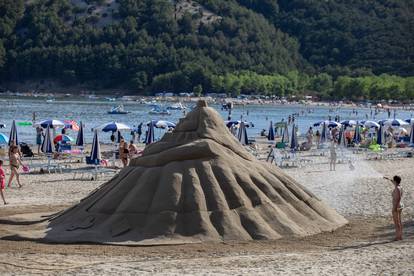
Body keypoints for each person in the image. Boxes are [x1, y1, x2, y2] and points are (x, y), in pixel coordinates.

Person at [384, 175, 404, 240]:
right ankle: (400, 236)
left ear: (395, 181)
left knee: (396, 222)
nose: (393, 181)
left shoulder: (397, 188)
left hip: (397, 206)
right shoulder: (399, 186)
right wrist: (388, 179)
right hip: (400, 206)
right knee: (399, 221)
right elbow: (393, 182)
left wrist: (395, 207)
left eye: (393, 180)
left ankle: (397, 237)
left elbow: (399, 198)